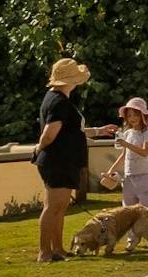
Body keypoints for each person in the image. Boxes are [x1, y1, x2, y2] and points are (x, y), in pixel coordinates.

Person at [32, 57, 115, 262]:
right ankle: (45, 252)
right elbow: (50, 134)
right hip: (57, 160)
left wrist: (97, 131)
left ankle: (57, 249)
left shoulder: (58, 99)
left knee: (60, 207)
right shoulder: (58, 102)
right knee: (53, 207)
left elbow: (70, 131)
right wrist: (38, 148)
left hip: (64, 159)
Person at [112, 97, 148, 210]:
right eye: (129, 115)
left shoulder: (147, 133)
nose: (132, 118)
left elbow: (145, 152)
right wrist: (110, 171)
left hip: (144, 176)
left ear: (143, 115)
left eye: (135, 114)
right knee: (128, 211)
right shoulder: (127, 133)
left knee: (146, 211)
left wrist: (126, 144)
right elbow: (123, 156)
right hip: (128, 177)